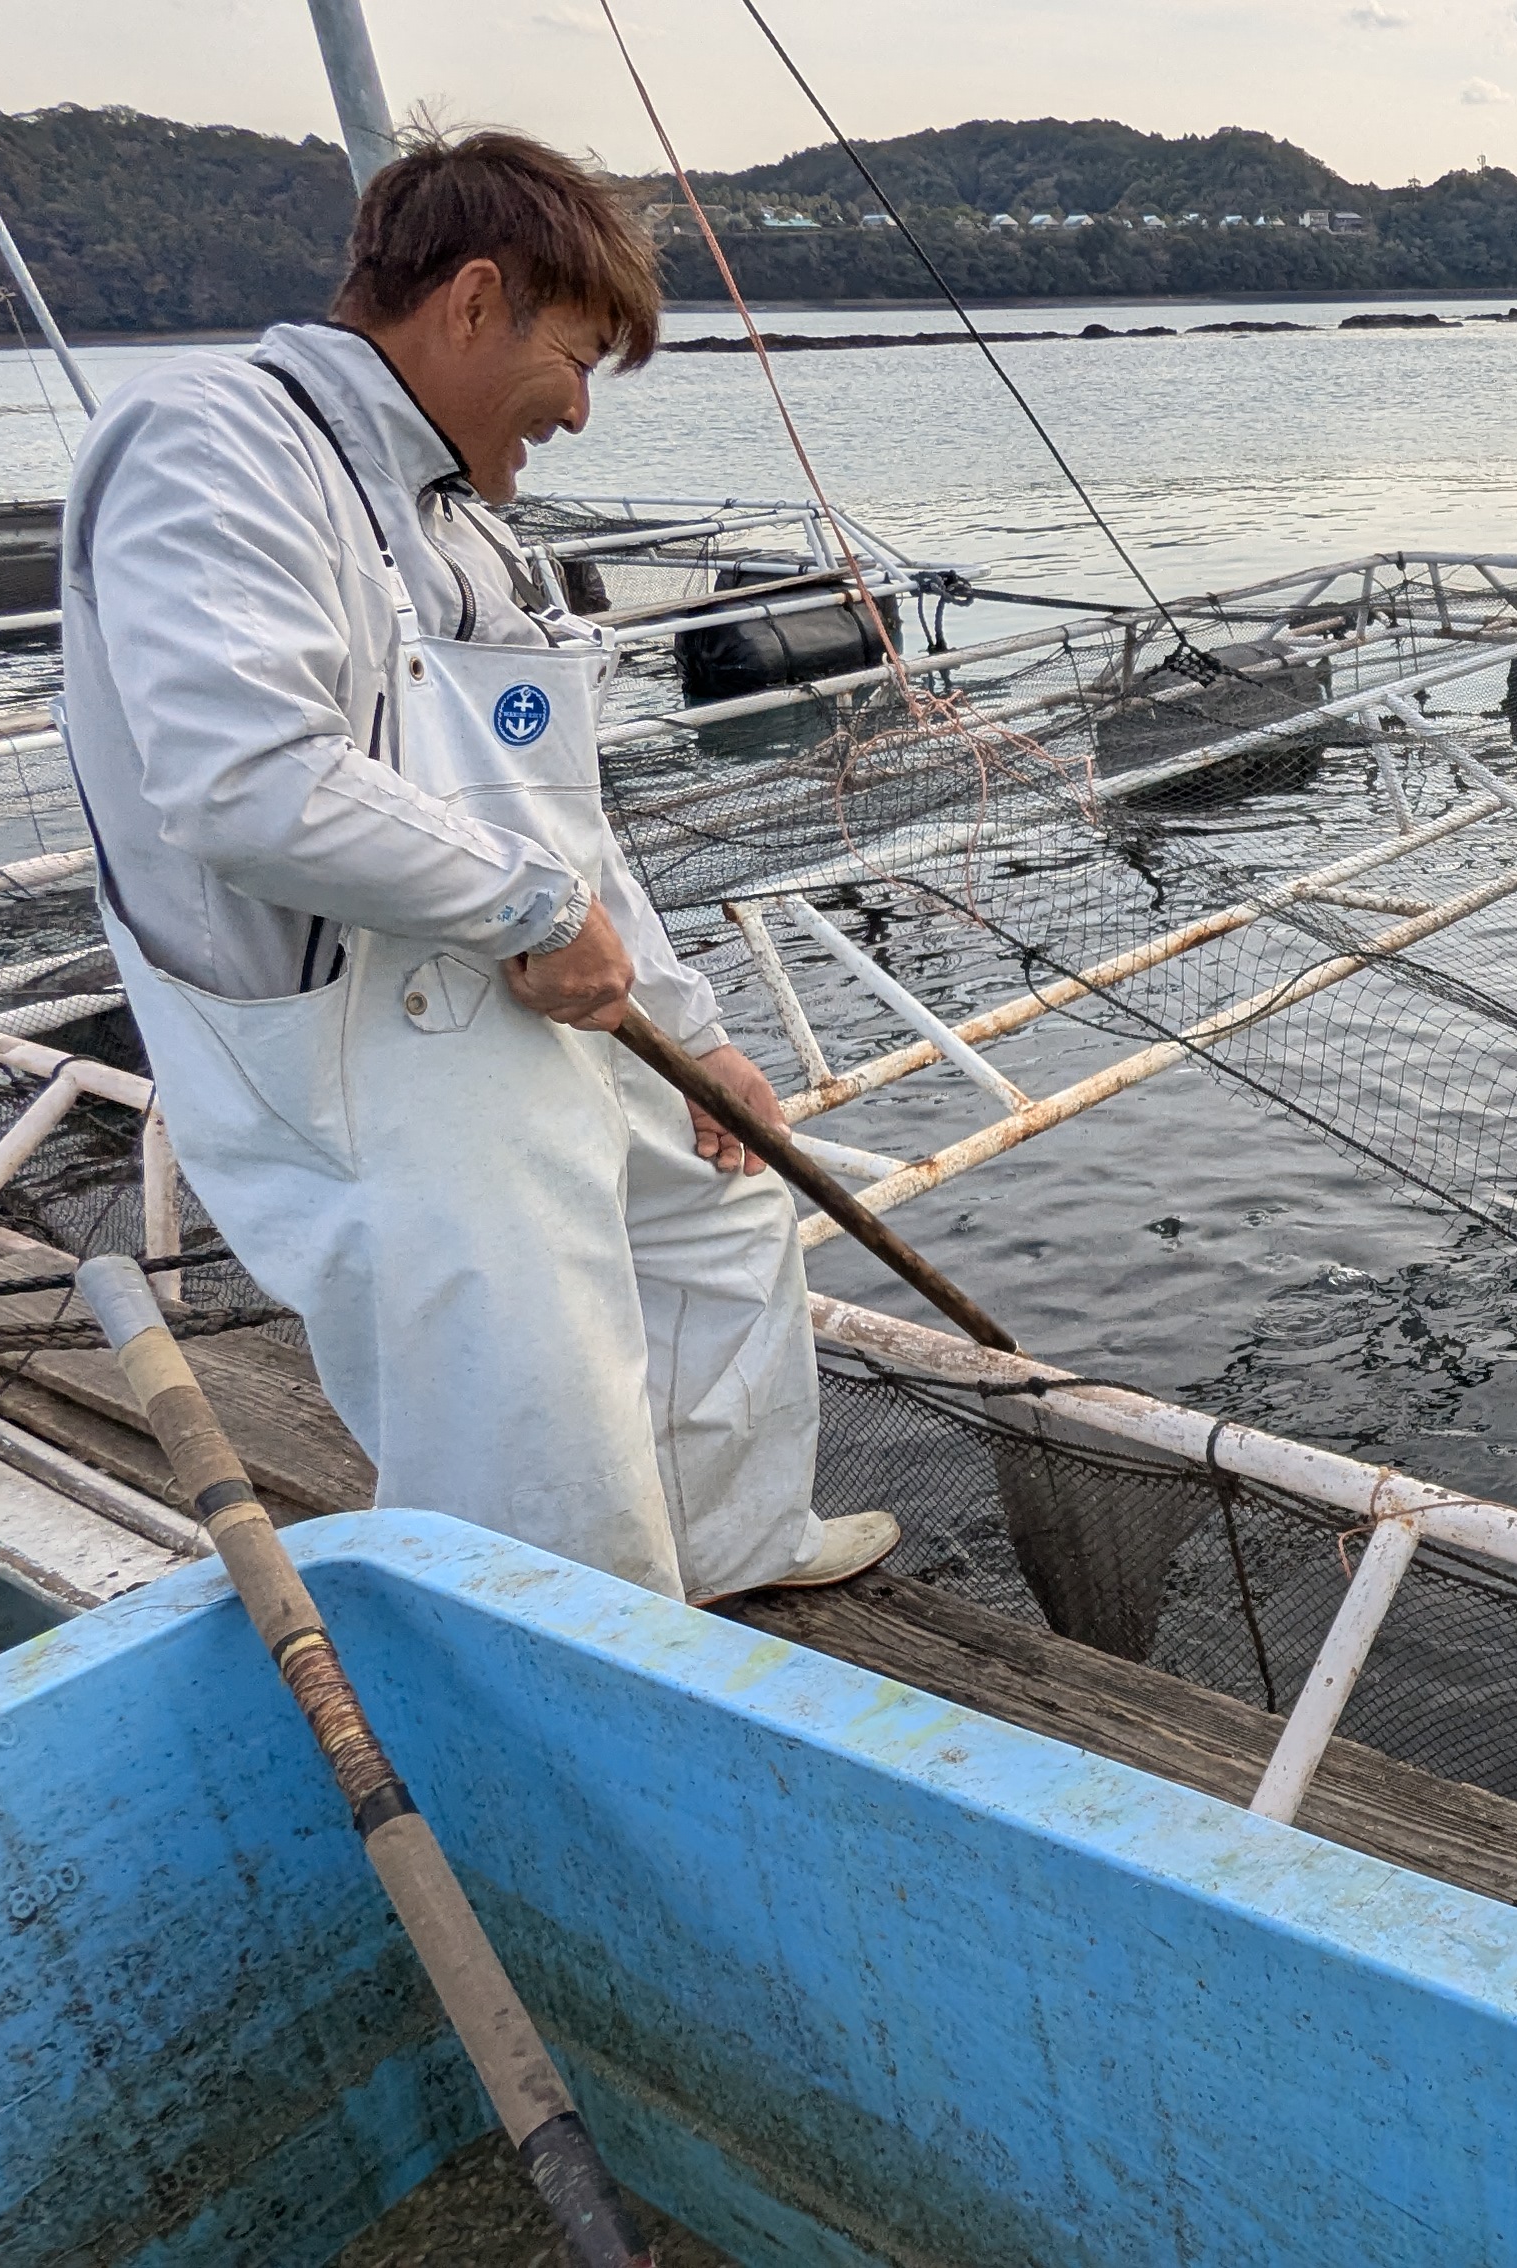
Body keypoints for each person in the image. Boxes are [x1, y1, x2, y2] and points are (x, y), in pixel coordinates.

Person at [58, 128, 894, 1603]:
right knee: (530, 1392)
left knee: (723, 1205)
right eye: (573, 361)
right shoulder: (218, 439)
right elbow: (247, 785)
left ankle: (730, 1549)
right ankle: (583, 1671)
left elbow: (550, 813)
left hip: (514, 985)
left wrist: (699, 1041)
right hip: (362, 1046)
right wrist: (534, 908)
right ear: (472, 299)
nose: (575, 414)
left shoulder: (463, 525)